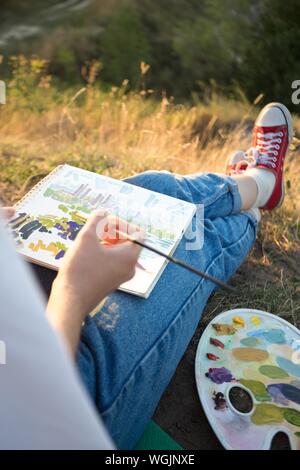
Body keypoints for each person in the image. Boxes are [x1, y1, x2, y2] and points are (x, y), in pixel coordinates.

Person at [0, 102, 292, 449]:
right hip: (66, 404)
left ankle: (250, 187)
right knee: (184, 244)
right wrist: (73, 294)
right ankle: (254, 201)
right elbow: (32, 412)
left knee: (145, 192)